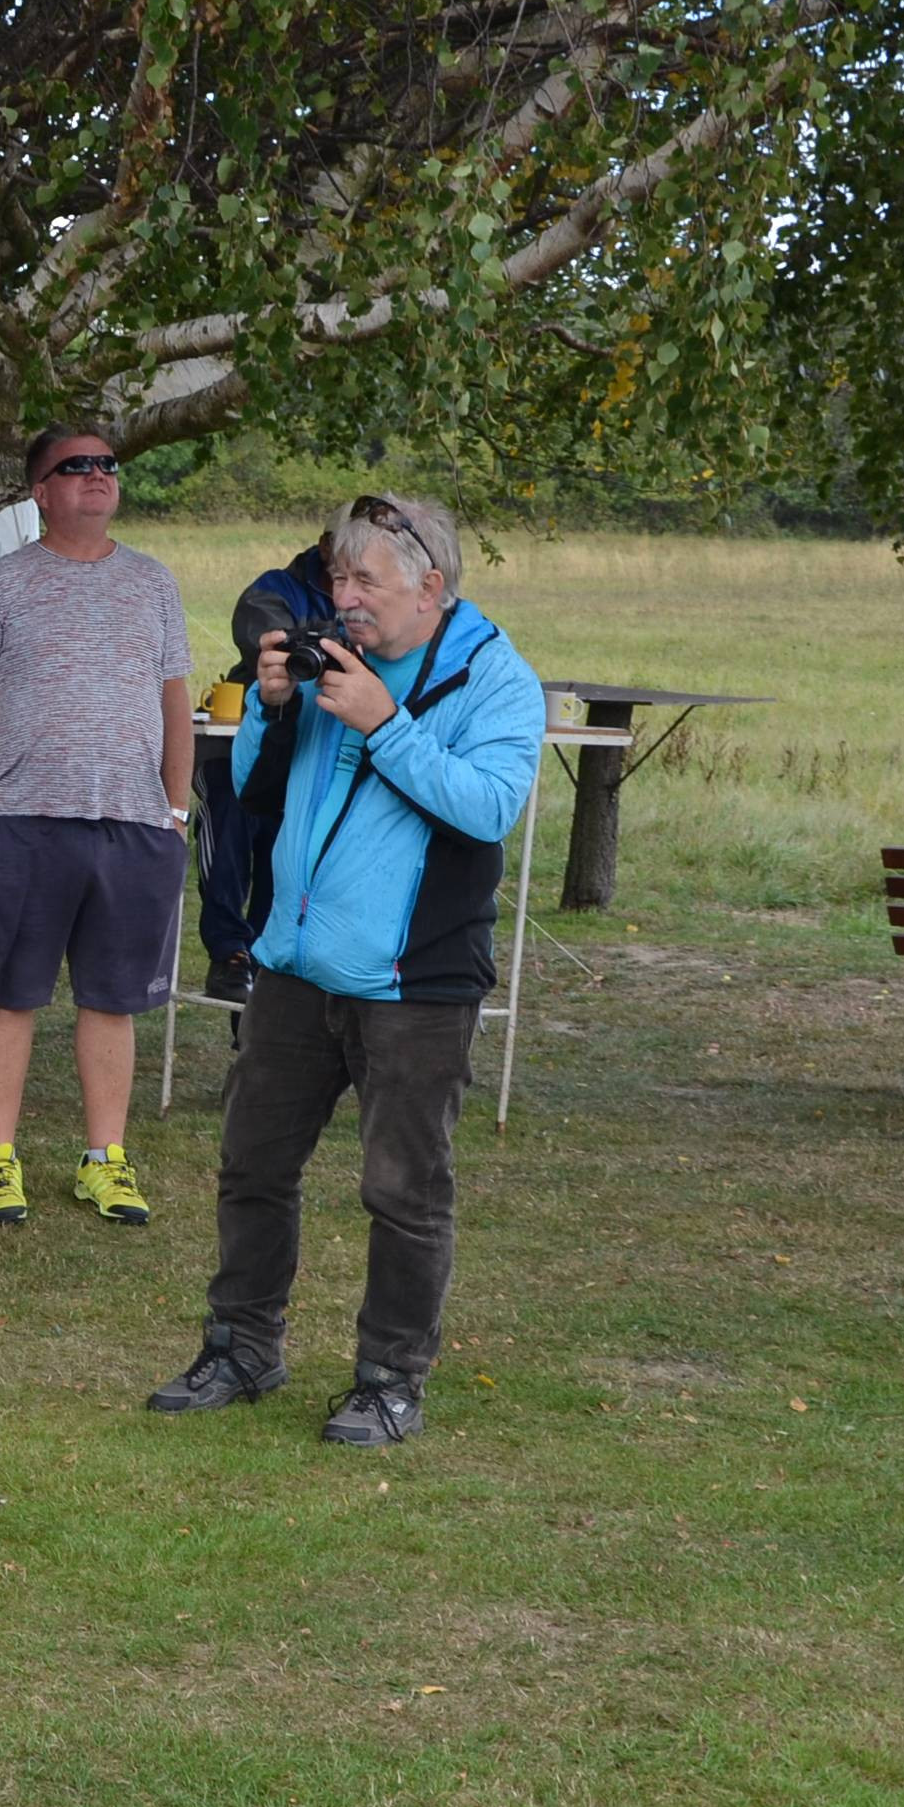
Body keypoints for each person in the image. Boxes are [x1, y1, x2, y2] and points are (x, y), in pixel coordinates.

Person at [148, 492, 543, 1447]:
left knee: (404, 1193)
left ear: (431, 587)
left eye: (366, 580)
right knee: (252, 1167)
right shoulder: (333, 656)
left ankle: (390, 1380)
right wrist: (273, 708)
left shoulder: (495, 678)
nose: (345, 597)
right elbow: (255, 791)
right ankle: (243, 1347)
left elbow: (488, 809)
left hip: (415, 983)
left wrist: (385, 721)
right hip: (294, 965)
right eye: (337, 577)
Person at [0, 426, 193, 1226]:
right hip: (19, 826)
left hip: (133, 827)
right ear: (41, 492)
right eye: (75, 466)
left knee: (112, 1001)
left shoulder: (153, 583)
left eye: (106, 464)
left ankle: (104, 1161)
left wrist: (175, 812)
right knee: (9, 998)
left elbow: (176, 701)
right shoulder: (2, 584)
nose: (96, 475)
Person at [191, 533, 338, 1003]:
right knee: (230, 809)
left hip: (307, 758)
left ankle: (263, 968)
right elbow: (276, 649)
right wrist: (338, 645)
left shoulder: (375, 598)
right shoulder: (274, 588)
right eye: (349, 546)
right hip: (243, 750)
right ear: (326, 545)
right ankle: (229, 953)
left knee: (287, 849)